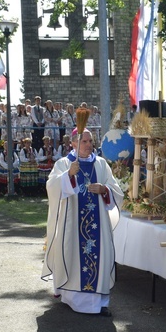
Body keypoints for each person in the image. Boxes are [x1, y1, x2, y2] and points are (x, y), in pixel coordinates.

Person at [43, 128, 123, 315]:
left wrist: (104, 189)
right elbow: (51, 187)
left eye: (91, 141)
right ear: (73, 143)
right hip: (71, 224)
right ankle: (72, 299)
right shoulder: (64, 163)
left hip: (98, 224)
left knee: (99, 258)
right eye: (84, 141)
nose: (89, 145)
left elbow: (116, 190)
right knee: (72, 257)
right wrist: (68, 175)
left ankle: (98, 303)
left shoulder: (101, 164)